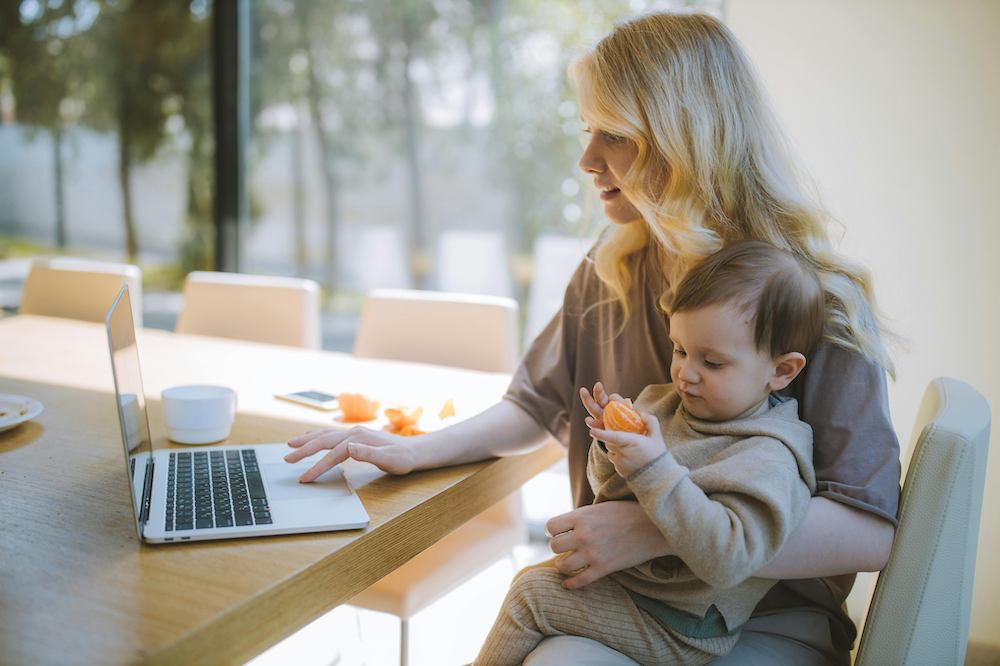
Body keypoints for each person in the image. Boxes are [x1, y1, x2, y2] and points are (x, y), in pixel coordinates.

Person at [285, 10, 900, 665]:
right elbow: (534, 404)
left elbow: (868, 531)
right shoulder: (611, 267)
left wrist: (659, 528)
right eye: (587, 131)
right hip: (627, 595)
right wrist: (416, 450)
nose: (586, 160)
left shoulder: (815, 301)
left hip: (763, 620)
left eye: (615, 135)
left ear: (684, 138)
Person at [472, 241, 824, 666]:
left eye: (712, 363)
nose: (685, 374)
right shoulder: (665, 403)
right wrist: (611, 446)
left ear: (781, 371)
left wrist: (654, 468)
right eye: (680, 350)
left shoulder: (769, 455)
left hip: (682, 624)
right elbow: (610, 491)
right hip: (635, 590)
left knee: (531, 596)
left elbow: (730, 559)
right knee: (537, 582)